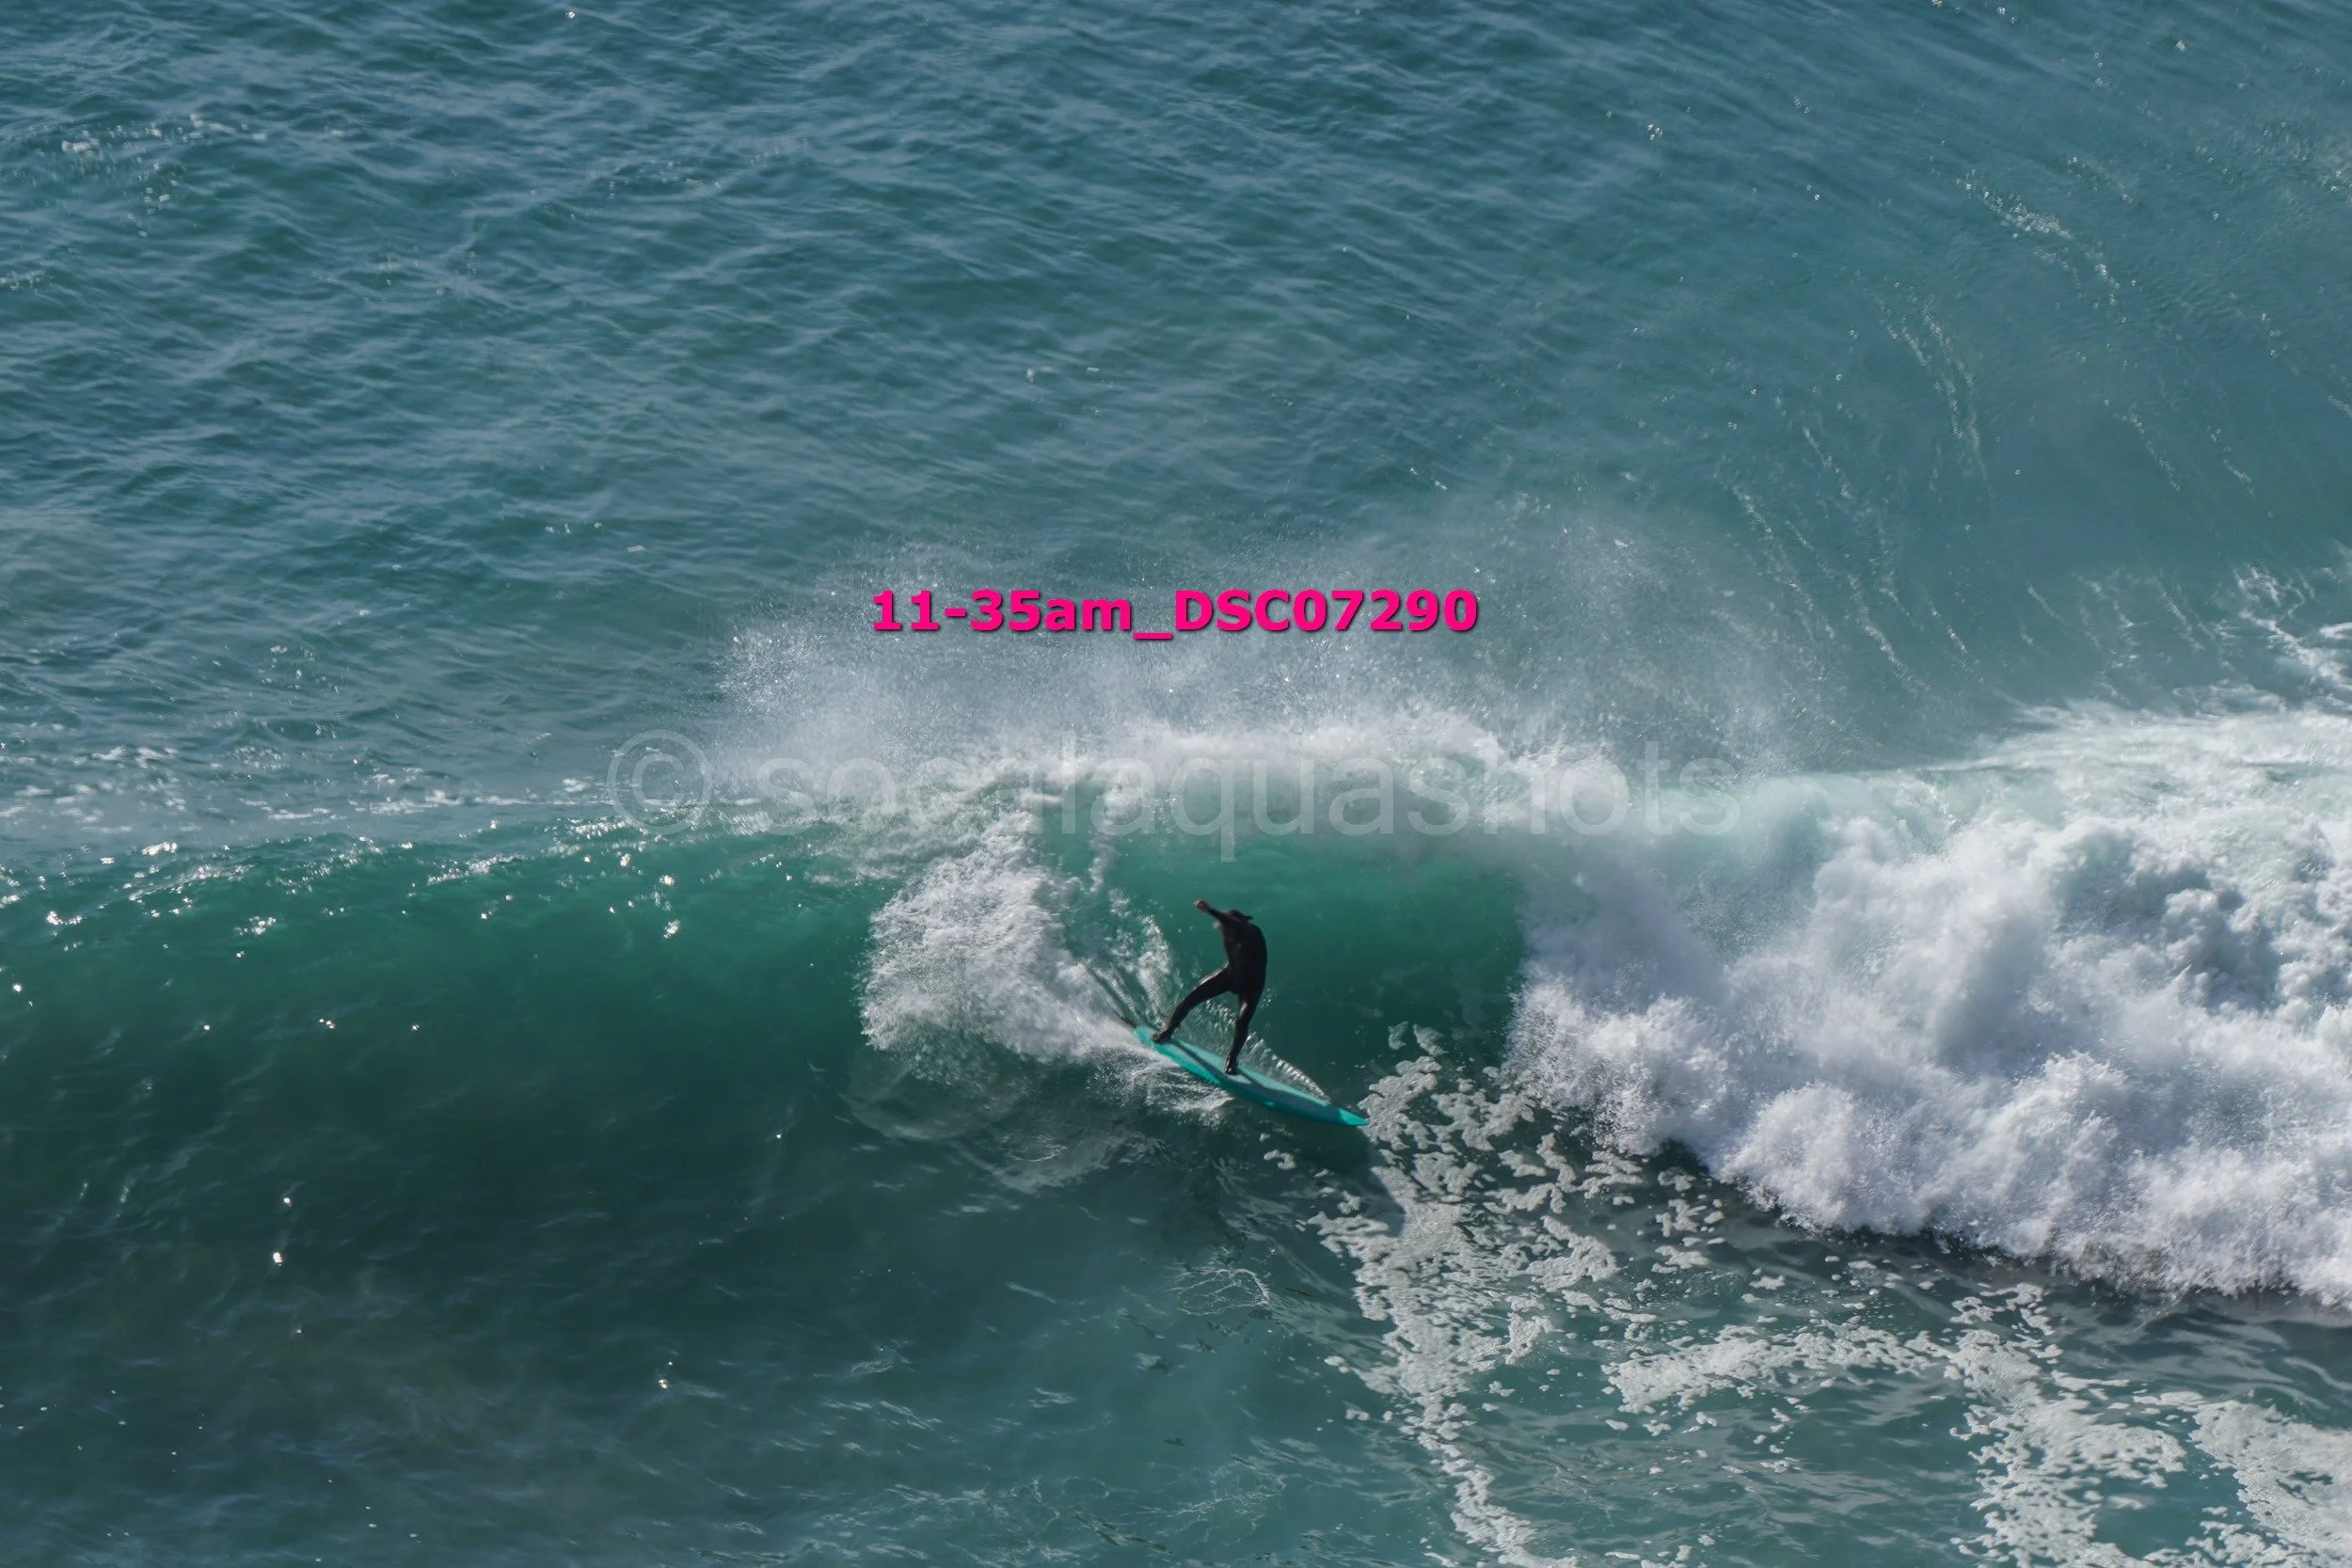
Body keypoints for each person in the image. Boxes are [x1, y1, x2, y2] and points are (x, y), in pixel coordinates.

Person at [1152, 899, 1267, 1075]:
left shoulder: (1251, 932)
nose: (1222, 928)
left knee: (1241, 1022)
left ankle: (1231, 1061)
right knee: (1190, 998)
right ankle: (1168, 1031)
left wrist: (1210, 910)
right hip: (1230, 975)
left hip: (1251, 985)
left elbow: (1235, 923)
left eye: (1225, 924)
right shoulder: (1228, 933)